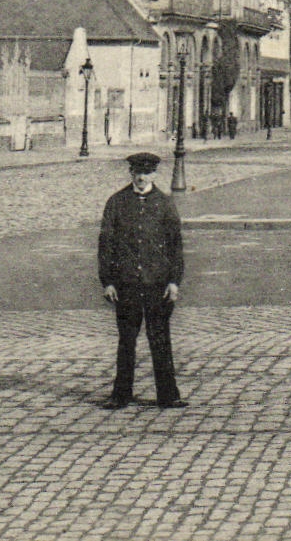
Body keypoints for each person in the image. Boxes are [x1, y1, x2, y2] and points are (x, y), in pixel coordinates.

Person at [98, 152, 186, 410]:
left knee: (160, 338)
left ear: (154, 175)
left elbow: (175, 246)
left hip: (157, 284)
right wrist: (108, 282)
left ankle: (168, 395)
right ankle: (121, 394)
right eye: (137, 172)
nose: (141, 177)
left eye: (146, 173)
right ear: (131, 173)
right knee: (127, 340)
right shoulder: (117, 202)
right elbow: (106, 246)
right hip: (126, 284)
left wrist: (174, 282)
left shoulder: (165, 204)